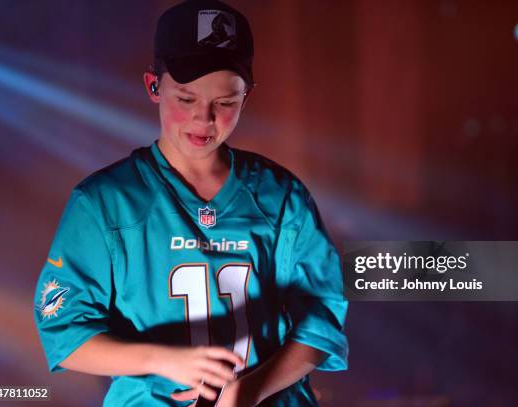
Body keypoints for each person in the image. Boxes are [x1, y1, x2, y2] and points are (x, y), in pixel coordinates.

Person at [33, 0, 348, 405]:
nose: (204, 118)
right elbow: (65, 333)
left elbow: (320, 322)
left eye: (225, 102)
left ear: (247, 96)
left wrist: (251, 390)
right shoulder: (104, 203)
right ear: (153, 86)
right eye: (185, 99)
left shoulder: (281, 196)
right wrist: (165, 360)